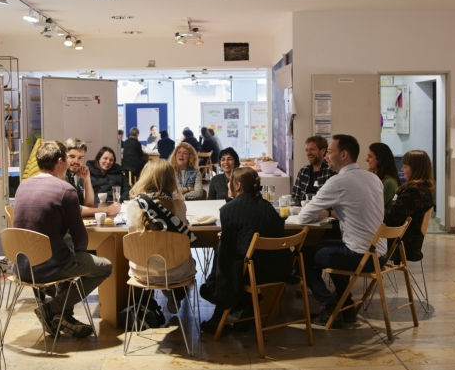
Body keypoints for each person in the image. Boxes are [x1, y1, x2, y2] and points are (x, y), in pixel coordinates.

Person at [13, 141, 113, 338]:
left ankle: (61, 317)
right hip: (47, 267)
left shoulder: (22, 187)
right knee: (104, 266)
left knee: (67, 256)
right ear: (60, 162)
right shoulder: (65, 190)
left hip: (21, 265)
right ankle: (51, 309)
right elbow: (80, 240)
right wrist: (80, 253)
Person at [298, 134, 385, 329]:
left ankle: (330, 307)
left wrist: (321, 213)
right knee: (324, 247)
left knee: (302, 254)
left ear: (343, 154)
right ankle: (346, 307)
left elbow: (303, 217)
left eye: (330, 152)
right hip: (379, 255)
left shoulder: (338, 181)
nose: (327, 156)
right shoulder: (373, 178)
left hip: (360, 256)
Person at [200, 167, 291, 333]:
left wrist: (226, 238)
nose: (227, 185)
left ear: (238, 186)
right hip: (278, 270)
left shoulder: (228, 210)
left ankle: (220, 306)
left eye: (230, 182)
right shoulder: (268, 207)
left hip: (251, 273)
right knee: (228, 247)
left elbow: (230, 254)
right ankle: (242, 306)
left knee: (222, 248)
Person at [125, 159, 197, 313]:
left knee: (150, 256)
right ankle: (174, 293)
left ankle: (146, 302)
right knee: (185, 259)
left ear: (145, 177)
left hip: (143, 272)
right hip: (177, 272)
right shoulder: (180, 206)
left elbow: (133, 238)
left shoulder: (132, 206)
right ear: (171, 179)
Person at [384, 150, 435, 262]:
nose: (402, 169)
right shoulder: (424, 189)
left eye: (405, 166)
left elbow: (391, 216)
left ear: (416, 169)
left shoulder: (413, 191)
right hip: (410, 241)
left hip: (402, 243)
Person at [64, 138, 121, 218]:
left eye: (80, 158)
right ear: (63, 156)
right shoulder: (61, 177)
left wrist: (86, 179)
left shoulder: (72, 176)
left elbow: (88, 204)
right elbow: (73, 210)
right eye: (72, 156)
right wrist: (107, 209)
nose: (76, 161)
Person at [291, 136, 337, 205]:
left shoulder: (331, 171)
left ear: (323, 151)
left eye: (312, 149)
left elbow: (334, 200)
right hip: (303, 210)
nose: (308, 153)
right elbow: (295, 198)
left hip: (324, 210)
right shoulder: (303, 172)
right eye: (307, 150)